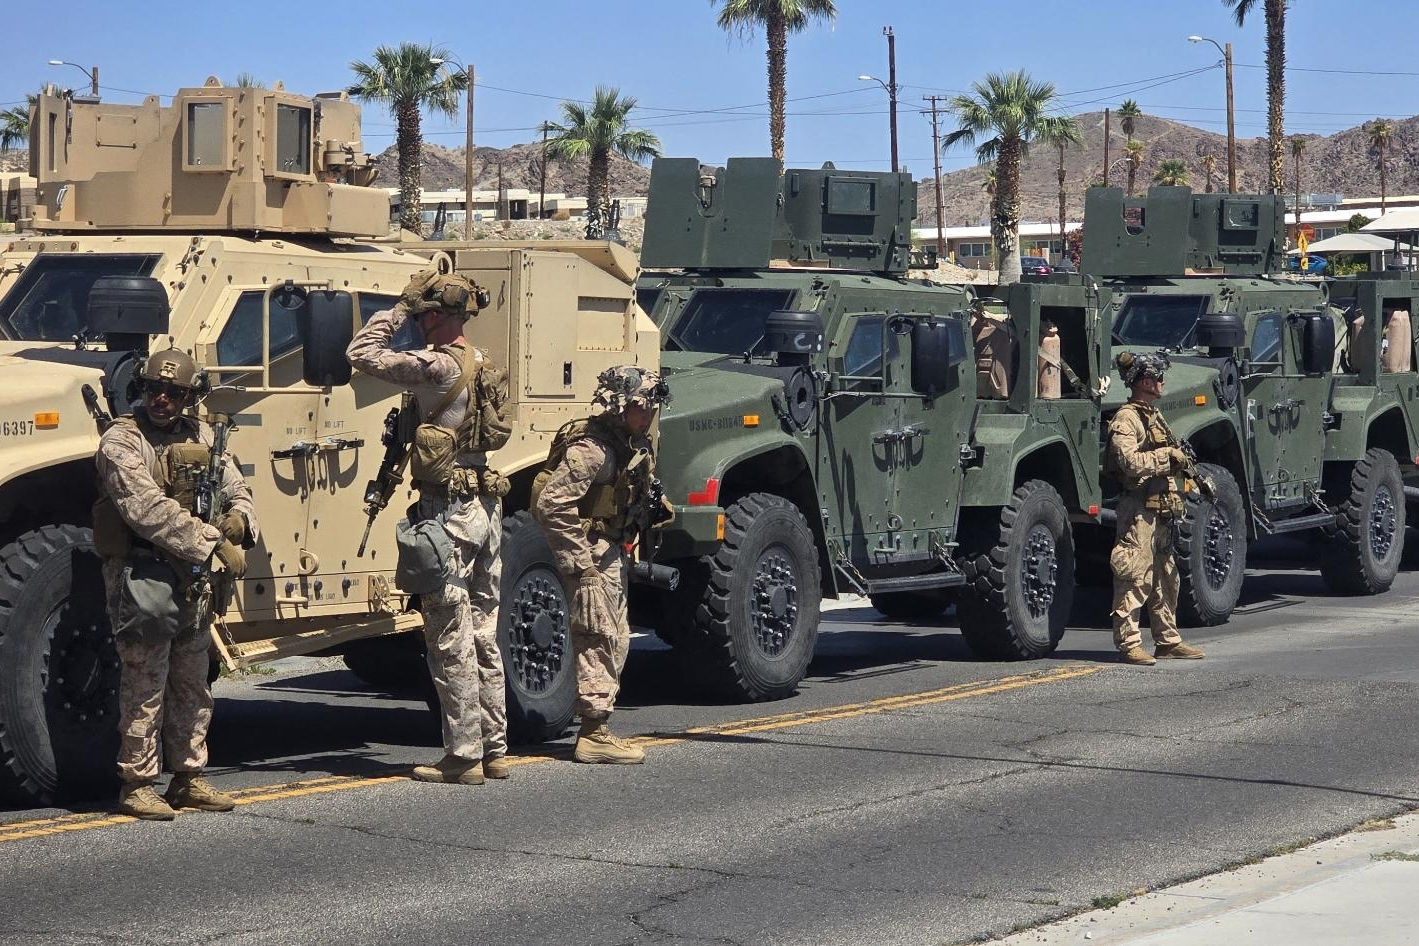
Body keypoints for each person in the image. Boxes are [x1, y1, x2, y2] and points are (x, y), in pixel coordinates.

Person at [346, 269, 511, 786]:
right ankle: (494, 748)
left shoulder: (436, 365)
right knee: (484, 632)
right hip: (485, 508)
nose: (416, 324)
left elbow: (361, 354)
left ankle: (463, 755)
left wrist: (397, 309)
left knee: (449, 635)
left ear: (436, 315)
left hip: (449, 511)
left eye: (421, 317)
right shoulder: (483, 362)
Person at [94, 348, 258, 820]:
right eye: (155, 389)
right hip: (145, 574)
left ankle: (188, 776)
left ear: (190, 397)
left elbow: (238, 487)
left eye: (174, 392)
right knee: (145, 682)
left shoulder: (204, 435)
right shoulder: (121, 441)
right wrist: (211, 542)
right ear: (141, 389)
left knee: (192, 681)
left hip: (192, 578)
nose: (162, 399)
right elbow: (145, 509)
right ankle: (138, 783)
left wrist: (240, 521)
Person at [533, 366, 671, 764]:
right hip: (591, 553)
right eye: (642, 406)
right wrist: (582, 565)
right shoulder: (592, 449)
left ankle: (598, 725)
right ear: (620, 406)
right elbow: (551, 504)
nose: (649, 414)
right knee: (597, 635)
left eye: (652, 407)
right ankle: (594, 733)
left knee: (617, 637)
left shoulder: (627, 444)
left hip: (610, 550)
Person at [1106, 351, 1206, 666]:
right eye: (1159, 377)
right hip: (1138, 510)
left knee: (1166, 577)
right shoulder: (1127, 418)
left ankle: (1168, 641)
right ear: (1146, 382)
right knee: (1133, 574)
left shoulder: (1153, 415)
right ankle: (1129, 644)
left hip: (1161, 509)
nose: (1163, 383)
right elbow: (1128, 462)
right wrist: (1167, 458)